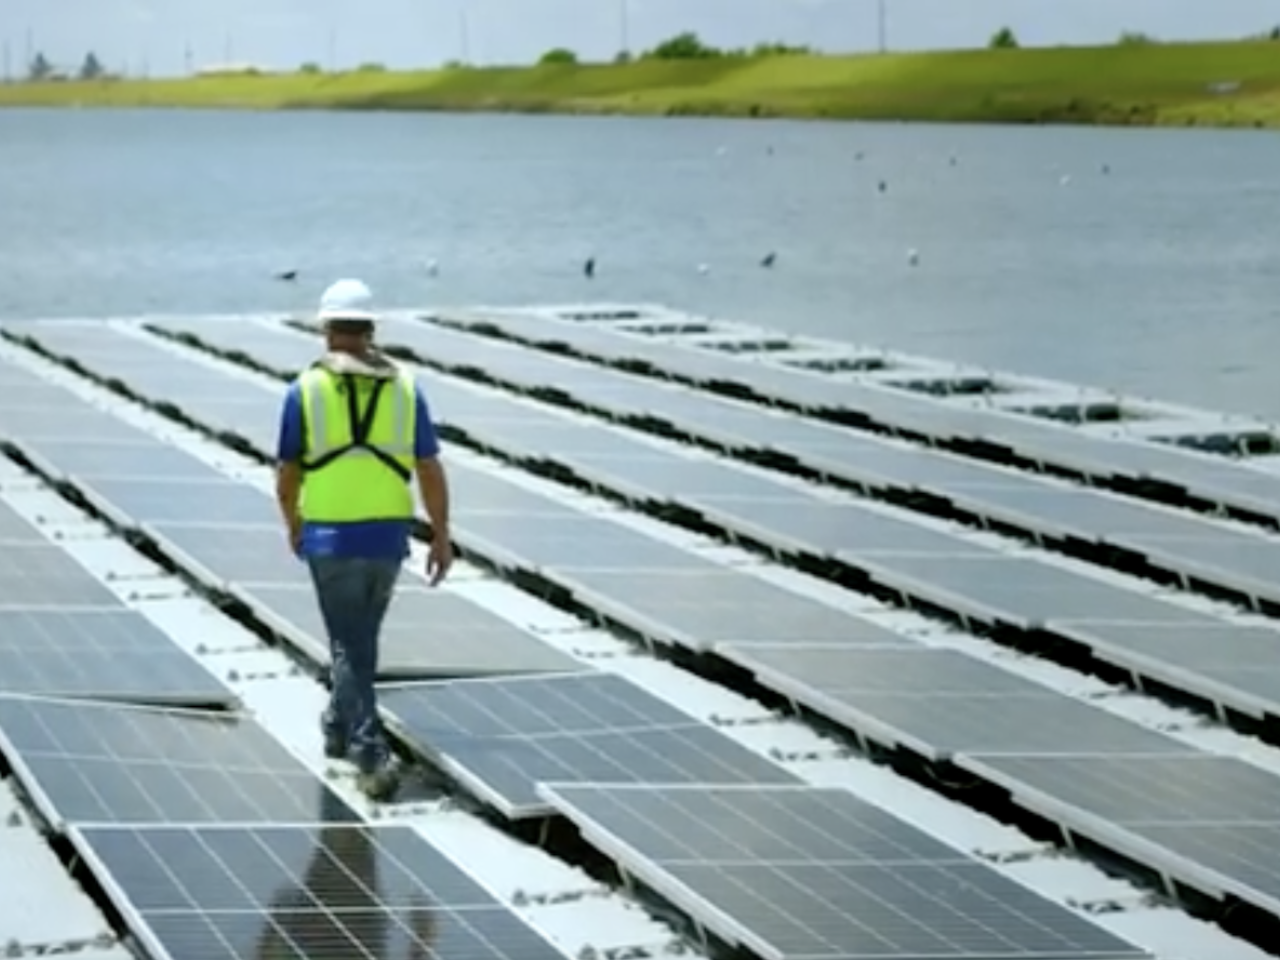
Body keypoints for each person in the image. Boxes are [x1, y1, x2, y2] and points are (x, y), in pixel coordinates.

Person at [274, 278, 453, 800]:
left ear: (326, 329)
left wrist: (292, 522)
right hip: (388, 535)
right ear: (370, 327)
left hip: (330, 535)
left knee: (349, 643)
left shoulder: (304, 390)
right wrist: (441, 536)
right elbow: (429, 467)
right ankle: (336, 725)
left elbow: (287, 471)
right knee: (359, 641)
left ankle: (370, 752)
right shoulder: (405, 388)